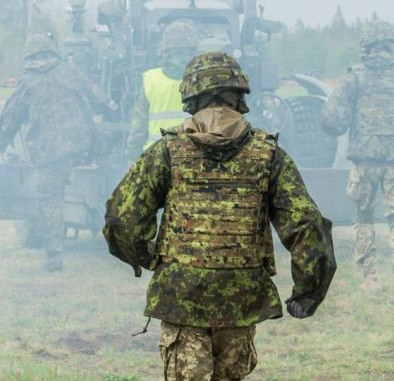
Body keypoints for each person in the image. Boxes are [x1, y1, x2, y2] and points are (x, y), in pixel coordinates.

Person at [104, 51, 337, 381]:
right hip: (241, 301)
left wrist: (148, 258)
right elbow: (306, 224)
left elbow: (121, 218)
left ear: (190, 96)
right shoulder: (269, 153)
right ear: (239, 95)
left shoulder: (167, 151)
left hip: (180, 298)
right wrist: (308, 289)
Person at [320, 19, 394, 297]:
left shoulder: (355, 78)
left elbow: (332, 119)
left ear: (366, 46)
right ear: (390, 45)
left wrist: (341, 129)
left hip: (364, 161)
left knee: (363, 215)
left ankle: (371, 278)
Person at [0, 33, 116, 272]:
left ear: (29, 56)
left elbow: (9, 118)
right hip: (85, 146)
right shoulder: (72, 72)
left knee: (49, 197)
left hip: (51, 153)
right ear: (52, 52)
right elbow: (102, 99)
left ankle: (54, 256)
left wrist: (2, 143)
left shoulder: (28, 83)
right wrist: (113, 118)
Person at [125, 19, 199, 160]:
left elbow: (138, 128)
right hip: (194, 160)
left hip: (158, 159)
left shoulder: (150, 80)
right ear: (193, 50)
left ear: (165, 50)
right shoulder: (204, 81)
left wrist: (132, 157)